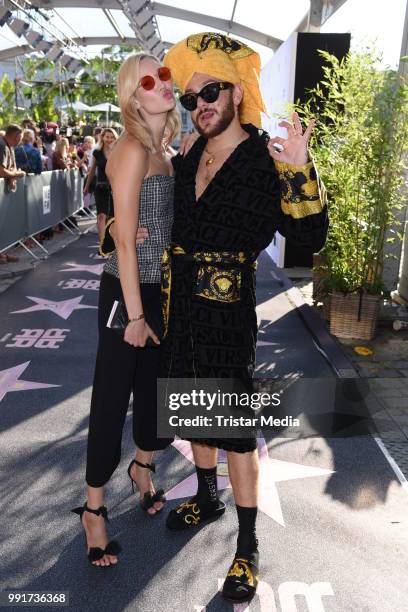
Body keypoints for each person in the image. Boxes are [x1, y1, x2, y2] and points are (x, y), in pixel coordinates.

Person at [159, 32, 329, 603]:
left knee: (233, 431)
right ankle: (206, 496)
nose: (200, 103)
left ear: (238, 92)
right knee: (190, 407)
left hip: (229, 313)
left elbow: (309, 236)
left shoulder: (264, 160)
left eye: (211, 91)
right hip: (181, 307)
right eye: (191, 97)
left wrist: (301, 169)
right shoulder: (188, 157)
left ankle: (247, 546)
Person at [72, 52, 180, 567]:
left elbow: (115, 224)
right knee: (112, 400)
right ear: (132, 95)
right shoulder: (134, 149)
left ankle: (143, 468)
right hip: (127, 295)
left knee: (156, 398)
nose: (162, 83)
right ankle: (94, 510)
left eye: (164, 75)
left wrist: (111, 228)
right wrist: (135, 315)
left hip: (162, 291)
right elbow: (122, 244)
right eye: (148, 80)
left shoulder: (165, 151)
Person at [83, 128, 118, 243]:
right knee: (101, 216)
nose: (109, 139)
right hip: (101, 187)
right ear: (102, 137)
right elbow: (92, 171)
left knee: (112, 217)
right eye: (107, 136)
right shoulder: (97, 152)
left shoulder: (119, 152)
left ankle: (111, 242)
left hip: (115, 188)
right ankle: (102, 244)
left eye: (112, 137)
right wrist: (86, 187)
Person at [0, 124, 26, 263]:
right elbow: (2, 171)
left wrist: (13, 176)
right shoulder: (2, 146)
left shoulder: (9, 146)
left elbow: (10, 167)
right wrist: (16, 174)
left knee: (4, 224)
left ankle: (3, 252)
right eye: (20, 137)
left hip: (4, 193)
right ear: (16, 135)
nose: (21, 140)